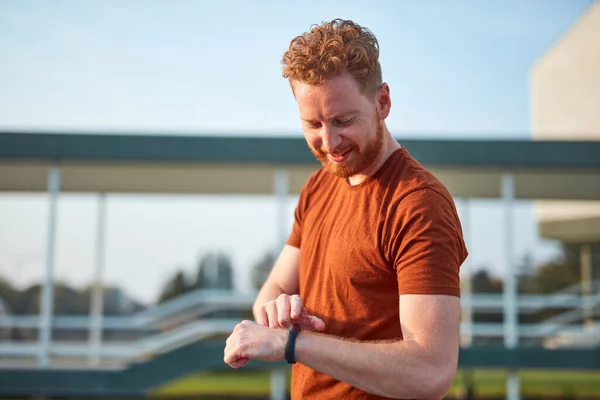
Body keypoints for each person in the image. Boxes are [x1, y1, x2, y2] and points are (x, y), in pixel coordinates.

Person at [224, 18, 468, 400]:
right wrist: (279, 314)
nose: (329, 141)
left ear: (382, 101)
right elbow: (268, 295)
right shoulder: (320, 184)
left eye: (343, 120)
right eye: (313, 124)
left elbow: (431, 372)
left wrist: (294, 345)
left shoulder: (418, 204)